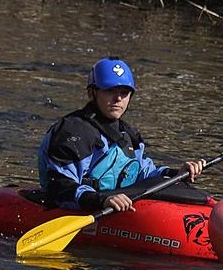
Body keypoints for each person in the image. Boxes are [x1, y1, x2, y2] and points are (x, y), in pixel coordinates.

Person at [38, 58, 205, 213]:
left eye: (124, 92)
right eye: (110, 90)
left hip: (117, 205)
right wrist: (101, 200)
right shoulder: (73, 133)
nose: (118, 98)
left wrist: (177, 173)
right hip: (84, 208)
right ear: (91, 93)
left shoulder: (129, 135)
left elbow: (143, 174)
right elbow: (60, 186)